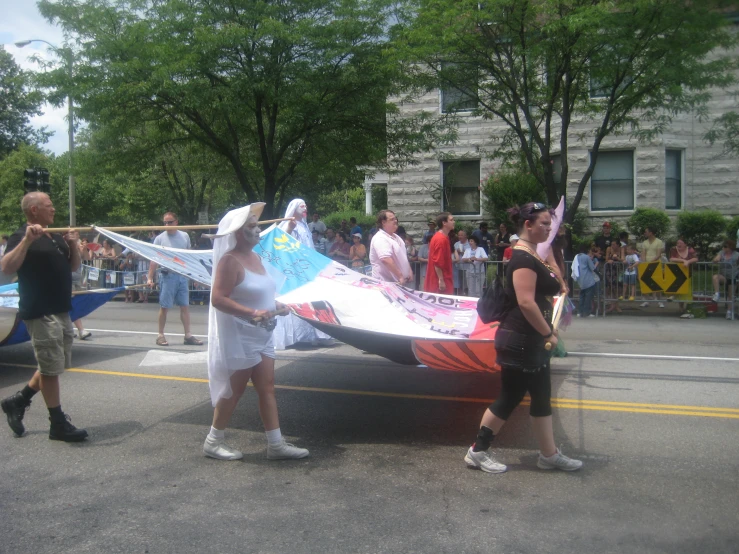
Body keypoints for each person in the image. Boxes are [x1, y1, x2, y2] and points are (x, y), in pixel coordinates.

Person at [464, 202, 582, 474]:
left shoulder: (534, 254)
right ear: (527, 225)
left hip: (533, 339)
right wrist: (548, 332)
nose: (548, 228)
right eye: (543, 223)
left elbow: (552, 281)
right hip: (520, 339)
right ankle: (477, 451)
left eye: (549, 224)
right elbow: (526, 302)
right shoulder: (522, 258)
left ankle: (549, 455)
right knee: (509, 397)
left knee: (541, 397)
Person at [204, 203, 308, 461]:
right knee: (235, 390)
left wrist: (276, 306)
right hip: (241, 336)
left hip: (263, 335)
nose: (257, 229)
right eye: (251, 226)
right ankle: (212, 442)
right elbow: (218, 299)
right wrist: (252, 313)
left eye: (256, 224)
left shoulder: (257, 257)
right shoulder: (229, 261)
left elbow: (262, 293)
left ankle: (275, 444)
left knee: (267, 387)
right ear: (238, 233)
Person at [0, 192, 88, 441]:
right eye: (49, 206)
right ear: (34, 210)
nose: (53, 209)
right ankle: (57, 424)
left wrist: (71, 242)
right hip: (40, 311)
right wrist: (27, 241)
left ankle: (18, 401)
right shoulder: (22, 235)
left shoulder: (55, 235)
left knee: (53, 365)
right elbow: (6, 268)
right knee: (50, 369)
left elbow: (72, 267)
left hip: (61, 309)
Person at [275, 199, 333, 348]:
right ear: (294, 209)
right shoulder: (288, 223)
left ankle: (313, 335)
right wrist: (289, 227)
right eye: (302, 206)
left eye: (306, 205)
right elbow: (280, 241)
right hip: (294, 270)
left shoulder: (305, 227)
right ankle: (295, 337)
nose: (305, 208)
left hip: (308, 271)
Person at [147, 212, 203, 347]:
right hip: (167, 276)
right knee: (164, 306)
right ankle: (160, 335)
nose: (167, 225)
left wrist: (194, 275)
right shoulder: (159, 239)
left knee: (185, 306)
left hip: (182, 276)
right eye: (165, 222)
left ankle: (188, 335)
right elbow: (153, 260)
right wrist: (150, 277)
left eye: (170, 222)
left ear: (176, 222)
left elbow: (188, 257)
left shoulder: (184, 236)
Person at [369, 210, 414, 285]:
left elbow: (403, 257)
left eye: (395, 218)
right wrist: (400, 276)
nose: (395, 221)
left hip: (400, 283)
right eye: (392, 219)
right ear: (383, 222)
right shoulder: (380, 238)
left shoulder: (397, 237)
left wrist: (409, 271)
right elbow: (385, 259)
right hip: (385, 285)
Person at [424, 212, 455, 293]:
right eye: (451, 220)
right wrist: (441, 280)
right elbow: (437, 262)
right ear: (444, 223)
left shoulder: (443, 237)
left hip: (441, 279)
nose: (454, 222)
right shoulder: (441, 239)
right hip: (440, 282)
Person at [669, 238, 698, 318]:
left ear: (685, 244)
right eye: (677, 243)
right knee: (680, 291)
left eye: (680, 243)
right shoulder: (673, 249)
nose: (679, 244)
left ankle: (688, 309)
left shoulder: (690, 250)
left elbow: (696, 258)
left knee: (688, 292)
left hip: (688, 274)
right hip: (677, 274)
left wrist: (688, 261)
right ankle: (681, 308)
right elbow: (672, 259)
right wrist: (683, 260)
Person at [711, 240, 739, 320]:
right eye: (723, 246)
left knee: (731, 295)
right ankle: (717, 294)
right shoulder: (721, 253)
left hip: (733, 276)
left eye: (725, 247)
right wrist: (716, 259)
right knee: (715, 277)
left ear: (731, 247)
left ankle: (729, 312)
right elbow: (715, 259)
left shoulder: (736, 255)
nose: (724, 248)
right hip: (723, 275)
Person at [639, 226, 665, 308]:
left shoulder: (659, 242)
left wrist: (651, 262)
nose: (645, 233)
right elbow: (643, 253)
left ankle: (659, 301)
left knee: (657, 283)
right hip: (646, 265)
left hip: (656, 264)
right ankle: (646, 300)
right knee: (645, 282)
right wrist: (644, 263)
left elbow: (658, 254)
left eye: (646, 231)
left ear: (651, 233)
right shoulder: (644, 242)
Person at [71, 238, 92, 340]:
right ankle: (80, 330)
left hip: (77, 279)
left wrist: (83, 250)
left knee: (77, 303)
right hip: (68, 279)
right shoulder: (66, 244)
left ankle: (67, 328)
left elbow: (88, 258)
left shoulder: (78, 244)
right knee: (71, 304)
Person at [575, 245, 600, 317]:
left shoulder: (576, 257)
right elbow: (592, 267)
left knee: (581, 296)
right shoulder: (586, 257)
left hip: (580, 278)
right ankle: (586, 312)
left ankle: (579, 311)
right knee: (588, 297)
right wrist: (599, 274)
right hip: (588, 279)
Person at [453, 230, 471, 295]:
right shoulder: (456, 244)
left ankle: (467, 295)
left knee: (467, 284)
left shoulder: (470, 244)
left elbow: (471, 256)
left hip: (467, 268)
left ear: (466, 236)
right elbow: (453, 255)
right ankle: (460, 295)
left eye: (461, 235)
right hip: (457, 268)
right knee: (458, 284)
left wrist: (462, 252)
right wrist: (456, 252)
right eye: (459, 235)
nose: (459, 237)